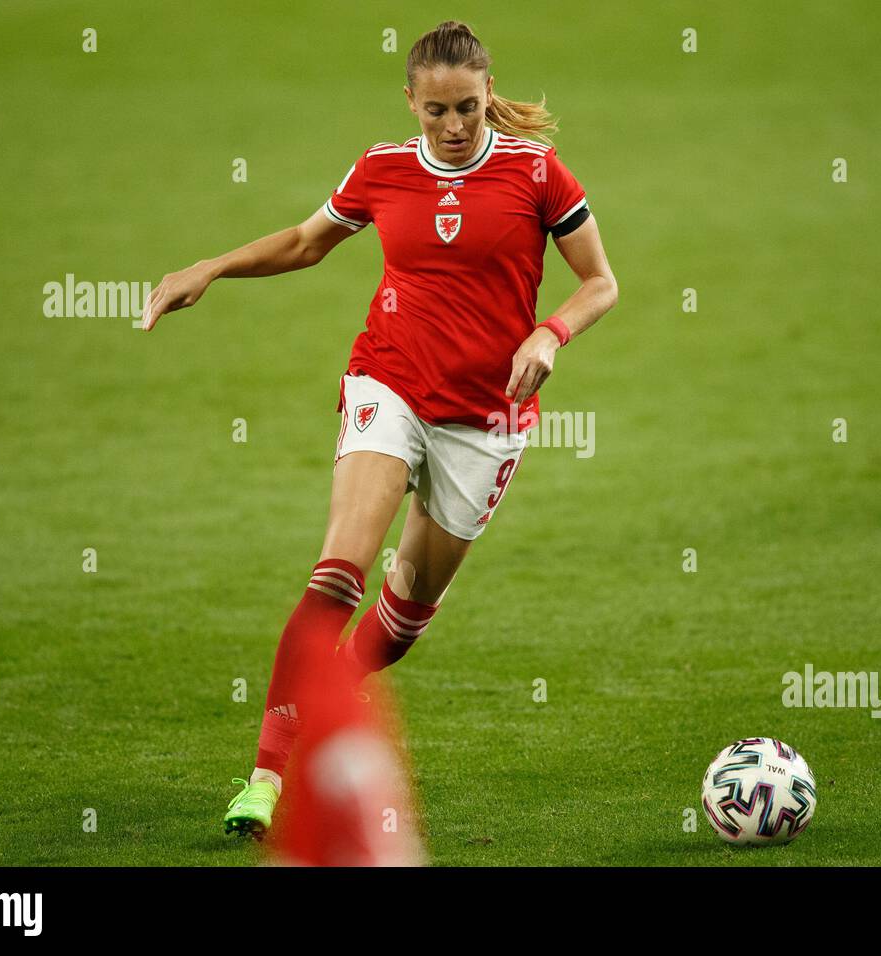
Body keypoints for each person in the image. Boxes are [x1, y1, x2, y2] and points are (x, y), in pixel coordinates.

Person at [142, 20, 618, 840]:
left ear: (488, 95)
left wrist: (550, 333)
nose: (454, 126)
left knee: (400, 623)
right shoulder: (383, 168)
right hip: (388, 383)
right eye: (436, 111)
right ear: (411, 102)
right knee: (339, 569)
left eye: (467, 108)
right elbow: (305, 242)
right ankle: (267, 775)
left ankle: (326, 706)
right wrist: (210, 267)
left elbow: (601, 282)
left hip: (486, 419)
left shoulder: (536, 172)